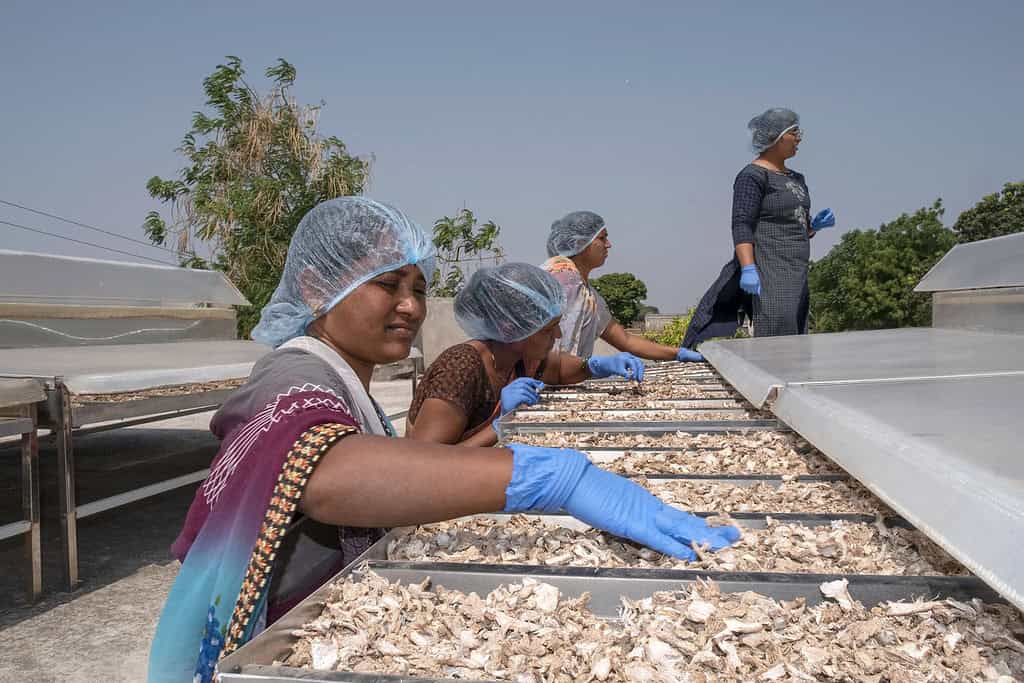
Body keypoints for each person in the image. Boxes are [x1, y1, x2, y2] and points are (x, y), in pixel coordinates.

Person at [147, 197, 739, 683]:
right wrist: (544, 477)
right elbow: (328, 476)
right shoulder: (291, 376)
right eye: (387, 286)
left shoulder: (340, 374)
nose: (409, 306)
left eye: (419, 288)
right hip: (238, 643)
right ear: (312, 288)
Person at [406, 262, 647, 446]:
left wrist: (595, 366)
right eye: (547, 329)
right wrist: (500, 424)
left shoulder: (519, 358)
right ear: (511, 329)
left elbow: (560, 369)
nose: (558, 336)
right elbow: (423, 464)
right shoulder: (461, 369)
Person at [683, 108, 835, 346]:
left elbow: (793, 227)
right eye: (794, 132)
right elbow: (742, 223)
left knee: (797, 333)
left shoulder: (796, 178)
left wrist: (813, 227)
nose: (799, 138)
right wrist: (748, 268)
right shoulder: (752, 176)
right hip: (770, 270)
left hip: (796, 271)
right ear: (776, 136)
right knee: (777, 333)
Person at [541, 210, 706, 363]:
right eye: (602, 238)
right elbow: (552, 348)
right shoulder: (562, 278)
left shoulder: (586, 292)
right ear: (581, 242)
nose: (608, 244)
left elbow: (625, 340)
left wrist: (677, 353)